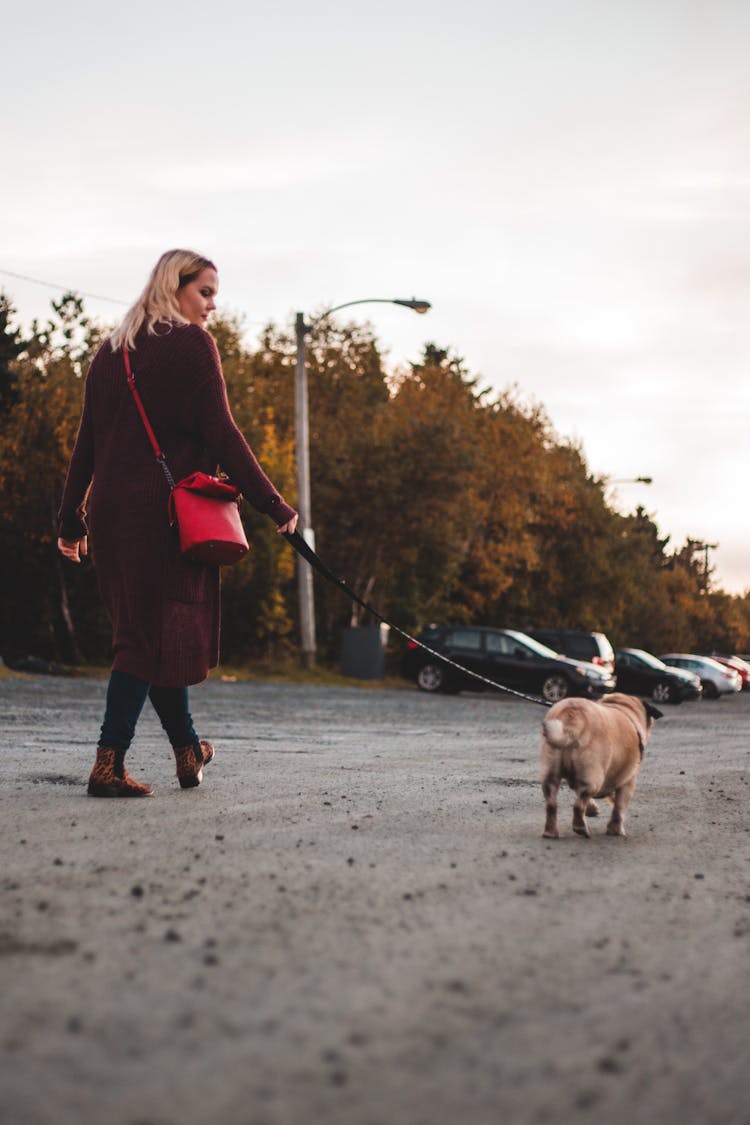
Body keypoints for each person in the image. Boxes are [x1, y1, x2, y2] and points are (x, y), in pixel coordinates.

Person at [57, 249, 298, 798]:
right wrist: (274, 505)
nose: (213, 305)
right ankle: (107, 763)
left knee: (153, 631)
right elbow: (222, 432)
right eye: (205, 292)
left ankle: (187, 749)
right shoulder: (191, 344)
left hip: (114, 516)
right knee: (143, 638)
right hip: (164, 516)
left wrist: (71, 520)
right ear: (176, 286)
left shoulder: (110, 352)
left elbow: (86, 445)